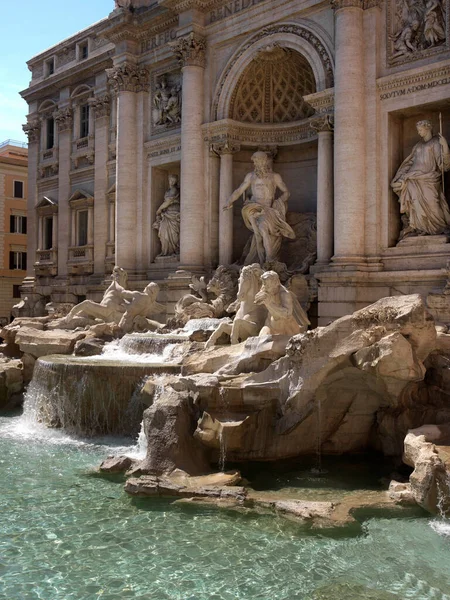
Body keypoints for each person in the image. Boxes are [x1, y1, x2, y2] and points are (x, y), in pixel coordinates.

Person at [223, 151, 295, 264]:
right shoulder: (250, 176)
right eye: (255, 162)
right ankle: (267, 260)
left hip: (268, 209)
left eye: (257, 161)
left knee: (260, 232)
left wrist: (279, 201)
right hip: (253, 208)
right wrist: (229, 201)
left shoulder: (275, 177)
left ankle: (267, 260)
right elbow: (239, 190)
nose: (256, 164)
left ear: (264, 161)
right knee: (260, 231)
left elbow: (286, 192)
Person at [391, 119, 450, 238]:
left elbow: (443, 166)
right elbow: (410, 162)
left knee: (433, 203)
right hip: (412, 178)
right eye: (418, 130)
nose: (419, 132)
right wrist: (400, 176)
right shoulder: (417, 145)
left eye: (420, 130)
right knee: (415, 203)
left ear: (428, 128)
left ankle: (440, 227)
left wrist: (445, 147)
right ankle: (419, 227)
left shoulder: (436, 143)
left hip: (429, 179)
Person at [153, 174, 180, 256]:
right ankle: (166, 251)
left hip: (173, 214)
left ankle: (173, 250)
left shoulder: (174, 190)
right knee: (163, 233)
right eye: (170, 180)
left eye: (173, 180)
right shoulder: (168, 191)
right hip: (167, 215)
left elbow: (168, 202)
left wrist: (159, 210)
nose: (171, 182)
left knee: (173, 234)